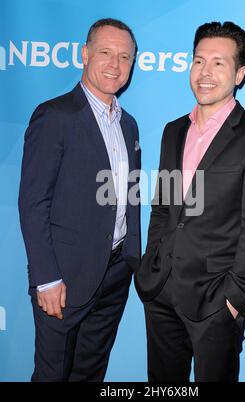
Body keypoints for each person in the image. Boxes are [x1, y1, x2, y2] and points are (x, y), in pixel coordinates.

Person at [135, 21, 245, 382]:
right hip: (160, 291)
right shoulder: (174, 130)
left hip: (216, 300)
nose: (205, 72)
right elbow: (164, 205)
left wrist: (234, 298)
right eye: (199, 61)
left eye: (219, 63)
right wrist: (153, 260)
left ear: (240, 73)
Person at [18, 18, 141, 382]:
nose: (115, 65)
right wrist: (46, 278)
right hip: (64, 279)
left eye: (124, 57)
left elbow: (127, 195)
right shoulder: (54, 115)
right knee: (52, 375)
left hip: (116, 273)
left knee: (91, 373)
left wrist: (131, 256)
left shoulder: (129, 124)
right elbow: (33, 202)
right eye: (105, 53)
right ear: (85, 54)